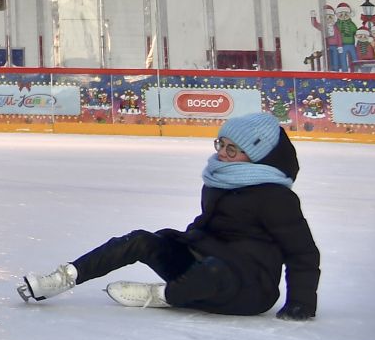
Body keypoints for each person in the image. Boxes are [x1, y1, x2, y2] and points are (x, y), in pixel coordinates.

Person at [19, 113, 320, 319]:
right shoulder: (219, 180)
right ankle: (64, 278)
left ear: (256, 155)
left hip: (248, 291)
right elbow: (210, 227)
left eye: (233, 150)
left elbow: (302, 253)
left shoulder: (276, 198)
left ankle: (163, 295)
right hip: (211, 269)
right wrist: (180, 245)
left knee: (212, 270)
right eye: (222, 146)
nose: (223, 155)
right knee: (142, 240)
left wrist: (301, 303)